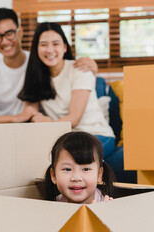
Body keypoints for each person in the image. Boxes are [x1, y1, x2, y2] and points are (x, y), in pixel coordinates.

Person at [0, 8, 98, 202]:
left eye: (9, 33)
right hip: (3, 127)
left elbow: (66, 69)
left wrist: (93, 67)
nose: (4, 41)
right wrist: (16, 117)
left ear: (20, 32)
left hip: (31, 127)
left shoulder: (40, 61)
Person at [18, 22, 115, 158]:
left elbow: (74, 118)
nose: (50, 50)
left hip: (96, 134)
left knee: (67, 158)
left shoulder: (80, 70)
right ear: (36, 48)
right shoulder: (36, 77)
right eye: (44, 44)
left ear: (64, 47)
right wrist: (36, 117)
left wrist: (49, 125)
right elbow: (30, 112)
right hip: (64, 137)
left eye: (56, 44)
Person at [44, 131, 116, 204]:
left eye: (86, 169)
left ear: (99, 175)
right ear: (53, 175)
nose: (76, 178)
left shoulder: (105, 204)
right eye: (67, 169)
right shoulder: (56, 205)